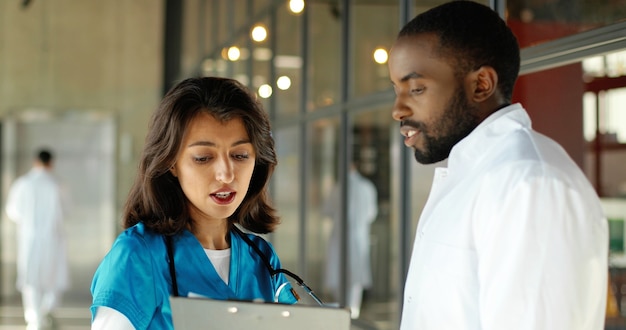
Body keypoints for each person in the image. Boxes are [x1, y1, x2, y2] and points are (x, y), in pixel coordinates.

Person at [387, 1, 608, 329]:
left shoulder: (528, 183)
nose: (398, 109)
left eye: (416, 88)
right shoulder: (476, 177)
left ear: (481, 85)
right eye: (396, 90)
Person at [90, 77, 299, 329]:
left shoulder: (262, 258)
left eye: (240, 155)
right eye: (203, 158)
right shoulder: (138, 256)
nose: (226, 174)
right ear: (171, 164)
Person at [5, 148, 70, 330]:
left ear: (35, 161)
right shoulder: (58, 184)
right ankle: (48, 310)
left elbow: (12, 211)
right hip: (53, 238)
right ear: (51, 163)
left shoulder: (23, 184)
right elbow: (67, 211)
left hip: (29, 239)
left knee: (30, 277)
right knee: (53, 275)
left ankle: (33, 316)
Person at [323, 163, 378, 319]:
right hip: (360, 237)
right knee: (356, 277)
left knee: (339, 273)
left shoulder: (338, 187)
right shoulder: (367, 187)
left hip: (340, 236)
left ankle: (342, 309)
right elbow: (371, 214)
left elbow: (327, 211)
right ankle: (353, 310)